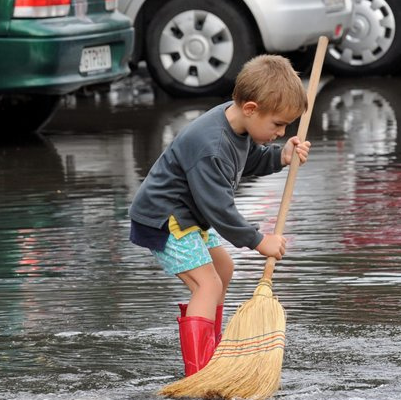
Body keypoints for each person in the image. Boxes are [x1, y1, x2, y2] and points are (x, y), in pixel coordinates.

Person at [129, 54, 311, 377]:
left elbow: (248, 161)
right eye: (278, 125)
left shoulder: (237, 125)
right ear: (251, 109)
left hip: (191, 215)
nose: (282, 132)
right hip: (166, 217)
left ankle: (211, 349)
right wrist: (258, 241)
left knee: (223, 268)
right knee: (207, 285)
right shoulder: (211, 145)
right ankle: (199, 372)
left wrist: (279, 157)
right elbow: (221, 210)